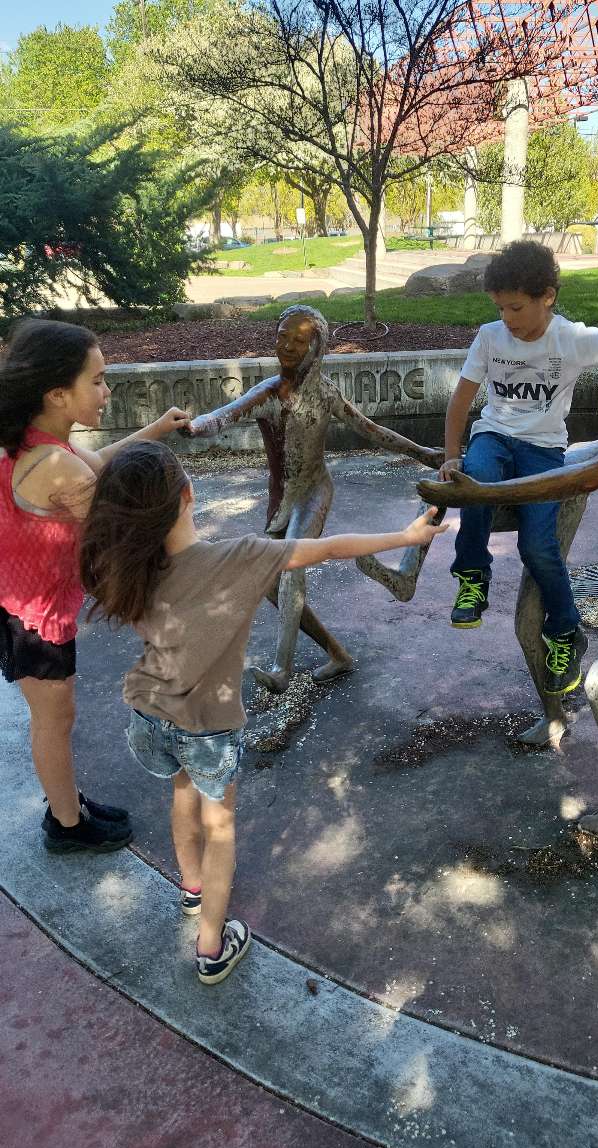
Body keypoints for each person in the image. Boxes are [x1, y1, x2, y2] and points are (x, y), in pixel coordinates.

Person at [80, 440, 448, 983]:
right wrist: (406, 536)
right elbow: (327, 547)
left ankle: (191, 887)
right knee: (221, 828)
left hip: (150, 715)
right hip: (207, 725)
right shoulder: (241, 558)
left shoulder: (130, 568)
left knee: (182, 792)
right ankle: (211, 946)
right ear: (188, 495)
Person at [418, 301, 598, 837]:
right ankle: (560, 705)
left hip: (560, 486)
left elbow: (583, 478)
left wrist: (481, 494)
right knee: (529, 622)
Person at [0, 318, 194, 853]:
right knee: (54, 719)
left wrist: (153, 432)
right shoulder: (58, 467)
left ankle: (66, 802)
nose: (107, 391)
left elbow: (97, 467)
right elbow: (117, 545)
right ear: (59, 394)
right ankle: (66, 827)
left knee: (54, 716)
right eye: (99, 380)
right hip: (35, 619)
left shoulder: (38, 442)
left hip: (18, 605)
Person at [183, 304, 443, 694]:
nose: (286, 346)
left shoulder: (325, 393)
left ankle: (281, 668)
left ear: (316, 348)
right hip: (281, 501)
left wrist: (423, 453)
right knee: (270, 583)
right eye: (282, 336)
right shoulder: (269, 393)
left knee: (290, 566)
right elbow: (225, 415)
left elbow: (369, 430)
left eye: (298, 340)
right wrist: (193, 426)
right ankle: (337, 653)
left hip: (315, 491)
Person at [435, 240, 598, 696]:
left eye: (516, 307)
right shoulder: (490, 337)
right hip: (493, 436)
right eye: (501, 307)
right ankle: (472, 577)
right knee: (476, 482)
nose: (508, 317)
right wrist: (451, 454)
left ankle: (566, 631)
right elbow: (462, 400)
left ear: (548, 296)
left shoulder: (572, 339)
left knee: (539, 546)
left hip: (544, 450)